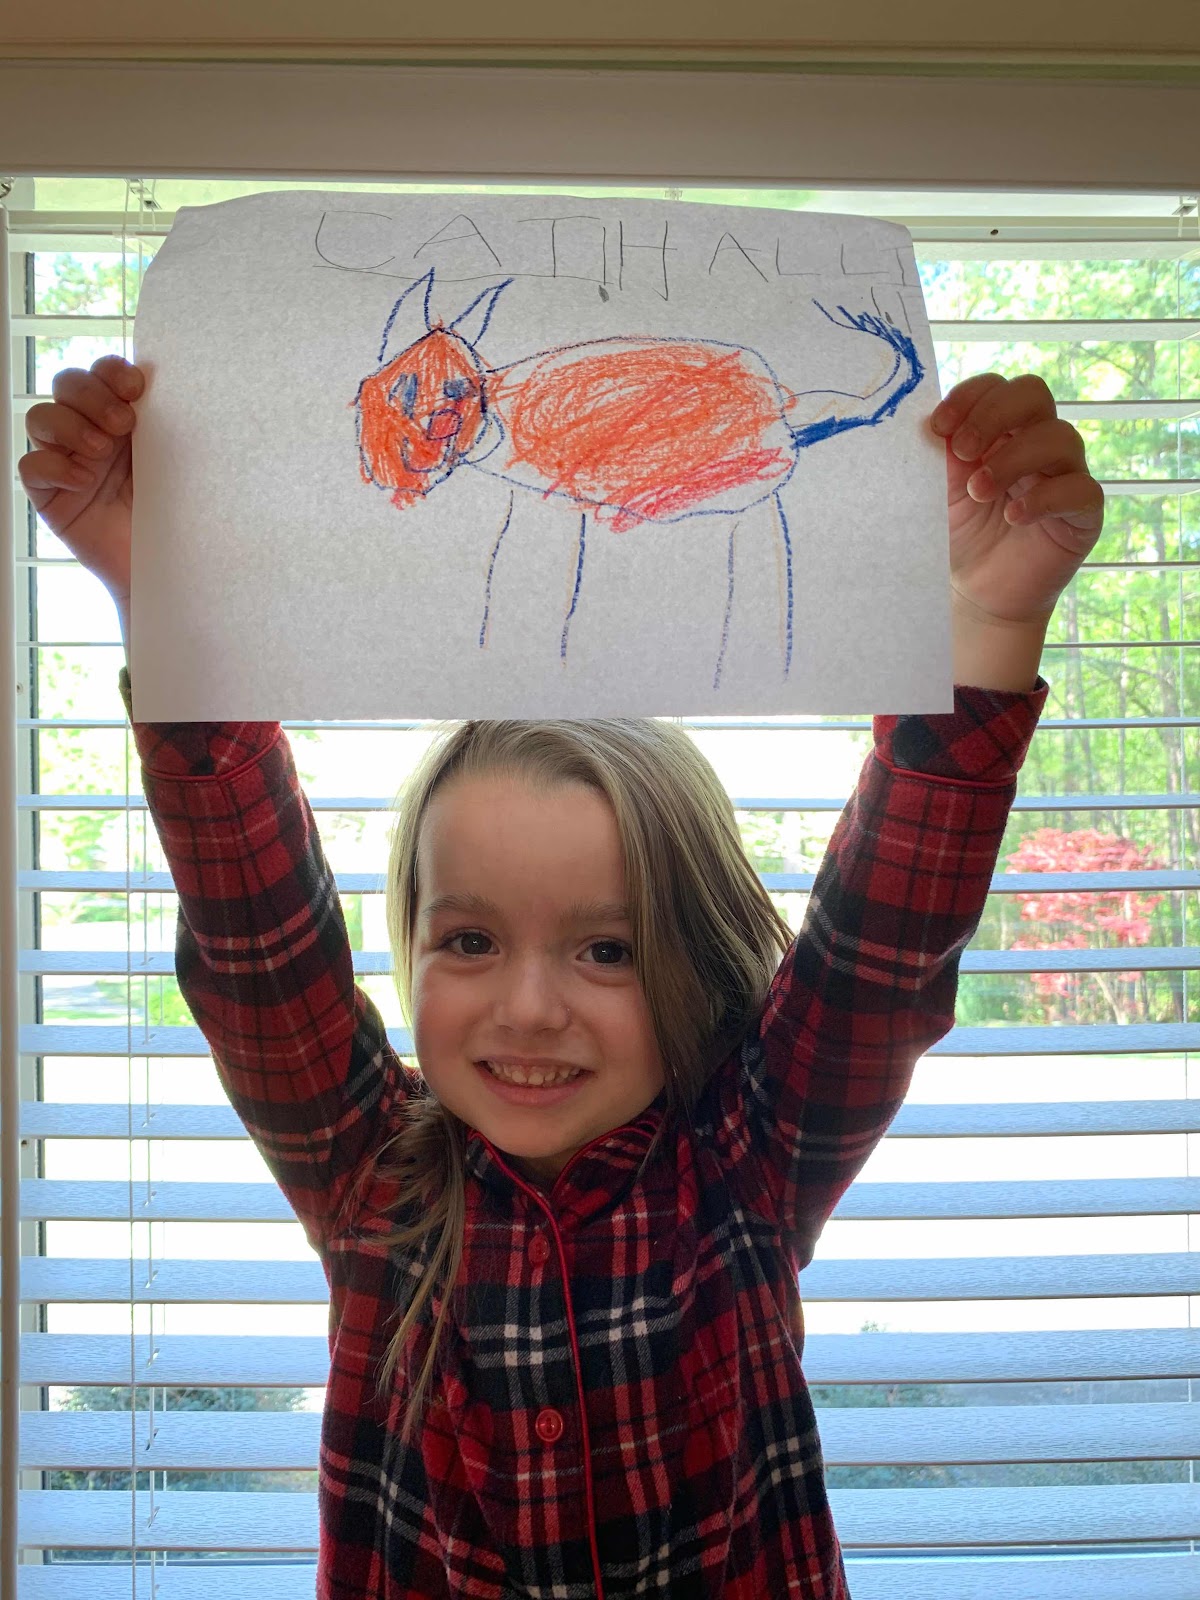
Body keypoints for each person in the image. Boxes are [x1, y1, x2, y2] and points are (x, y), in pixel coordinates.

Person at [20, 354, 1103, 1599]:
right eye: (471, 941)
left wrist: (983, 626)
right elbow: (256, 935)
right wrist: (172, 596)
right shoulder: (371, 1177)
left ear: (692, 958)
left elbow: (885, 947)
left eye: (607, 949)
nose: (529, 1010)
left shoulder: (747, 1161)